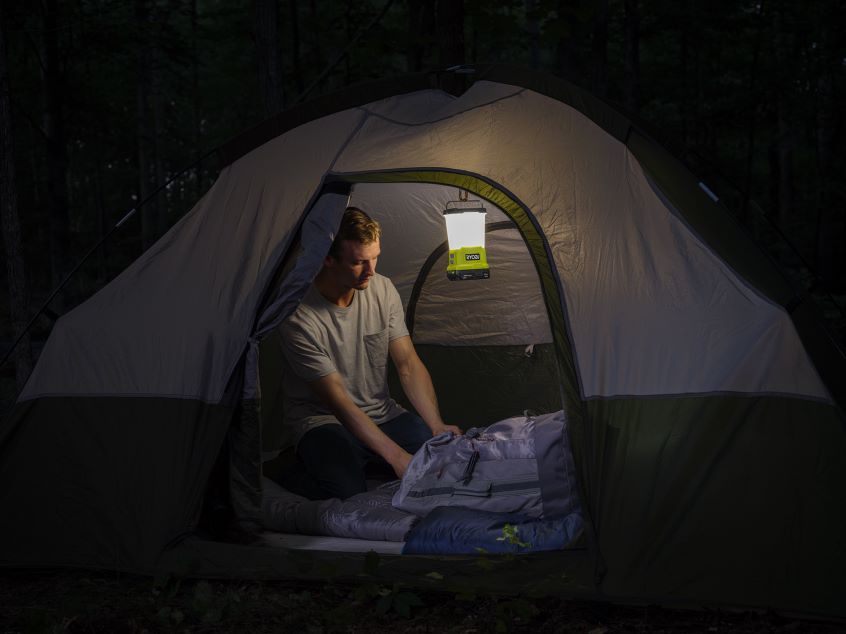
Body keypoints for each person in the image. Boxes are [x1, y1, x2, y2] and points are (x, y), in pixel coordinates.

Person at [277, 207, 461, 500]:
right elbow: (338, 401)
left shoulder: (382, 289)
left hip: (382, 414)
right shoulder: (297, 315)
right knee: (346, 490)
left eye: (375, 257)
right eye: (359, 262)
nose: (371, 270)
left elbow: (407, 364)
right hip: (325, 420)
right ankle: (288, 465)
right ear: (327, 258)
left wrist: (436, 425)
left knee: (441, 458)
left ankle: (370, 458)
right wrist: (397, 458)